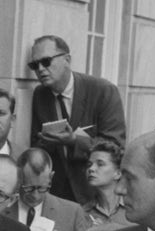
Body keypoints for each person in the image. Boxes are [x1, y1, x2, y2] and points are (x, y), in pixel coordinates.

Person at [28, 35, 127, 204]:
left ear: (67, 59)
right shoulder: (40, 95)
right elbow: (36, 144)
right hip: (56, 194)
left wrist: (74, 141)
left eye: (46, 62)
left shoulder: (103, 91)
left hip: (94, 194)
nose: (40, 69)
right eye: (34, 65)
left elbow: (116, 147)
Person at [82, 139, 134, 231]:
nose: (91, 169)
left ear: (118, 173)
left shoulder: (134, 210)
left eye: (100, 164)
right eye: (89, 165)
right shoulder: (82, 213)